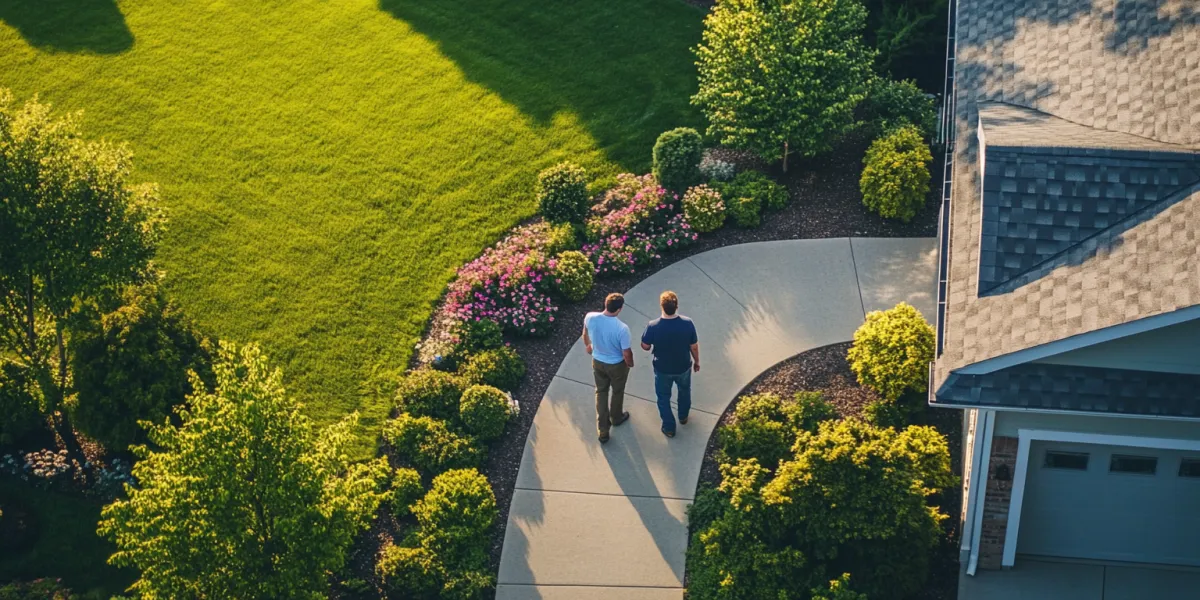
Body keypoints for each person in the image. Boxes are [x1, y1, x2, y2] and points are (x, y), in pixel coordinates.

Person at [640, 291, 699, 437]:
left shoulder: (653, 326)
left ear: (661, 306)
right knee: (684, 391)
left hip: (662, 369)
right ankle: (683, 416)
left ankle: (669, 428)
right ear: (677, 306)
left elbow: (645, 346)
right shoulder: (687, 323)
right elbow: (694, 346)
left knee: (663, 397)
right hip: (683, 366)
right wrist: (697, 361)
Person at [583, 293, 634, 443]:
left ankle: (603, 429)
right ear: (619, 309)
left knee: (601, 392)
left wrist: (588, 346)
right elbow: (626, 352)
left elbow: (585, 334)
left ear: (605, 304)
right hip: (617, 365)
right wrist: (629, 364)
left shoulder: (590, 317)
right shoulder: (622, 328)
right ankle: (616, 417)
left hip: (598, 361)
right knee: (617, 391)